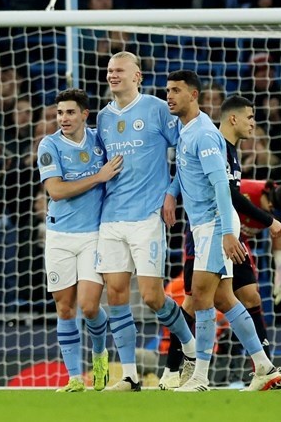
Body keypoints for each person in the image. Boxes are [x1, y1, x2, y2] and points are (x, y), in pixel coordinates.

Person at [165, 70, 281, 392]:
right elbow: (187, 171)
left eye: (175, 91)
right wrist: (172, 192)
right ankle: (265, 367)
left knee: (200, 296)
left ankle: (198, 377)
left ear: (193, 95)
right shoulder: (188, 132)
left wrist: (228, 232)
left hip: (214, 224)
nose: (169, 96)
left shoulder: (206, 136)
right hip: (204, 226)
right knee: (225, 298)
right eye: (167, 90)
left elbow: (224, 190)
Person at [95, 52, 196, 392]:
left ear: (136, 75)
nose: (113, 75)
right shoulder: (104, 118)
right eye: (109, 71)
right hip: (111, 218)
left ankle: (190, 346)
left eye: (119, 70)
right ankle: (129, 375)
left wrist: (171, 192)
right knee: (116, 296)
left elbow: (185, 150)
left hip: (147, 215)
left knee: (153, 296)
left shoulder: (156, 108)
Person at [36, 88, 122, 392]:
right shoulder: (49, 145)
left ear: (85, 114)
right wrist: (98, 177)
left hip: (93, 236)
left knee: (88, 306)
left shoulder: (100, 139)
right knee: (65, 308)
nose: (63, 118)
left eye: (70, 112)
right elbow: (55, 191)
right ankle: (74, 377)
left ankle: (99, 353)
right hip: (59, 236)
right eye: (60, 113)